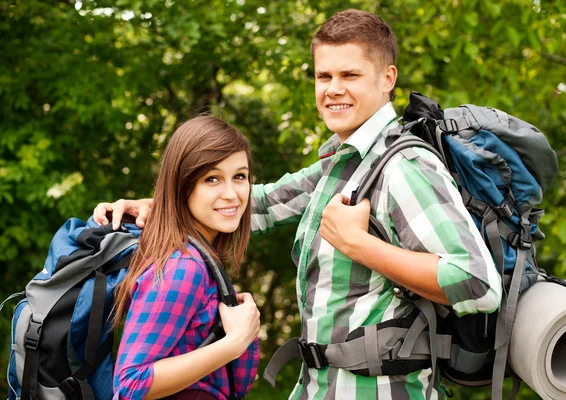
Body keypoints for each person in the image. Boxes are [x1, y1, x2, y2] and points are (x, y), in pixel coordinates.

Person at [95, 9, 502, 400]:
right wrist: (159, 204)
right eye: (324, 75)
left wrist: (359, 245)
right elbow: (258, 203)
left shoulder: (404, 167)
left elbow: (477, 283)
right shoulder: (343, 162)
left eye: (349, 75)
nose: (333, 88)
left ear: (387, 79)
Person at [110, 116, 260, 400]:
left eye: (239, 176)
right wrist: (234, 343)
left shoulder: (201, 258)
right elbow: (131, 384)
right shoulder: (183, 266)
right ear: (182, 186)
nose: (232, 194)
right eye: (212, 179)